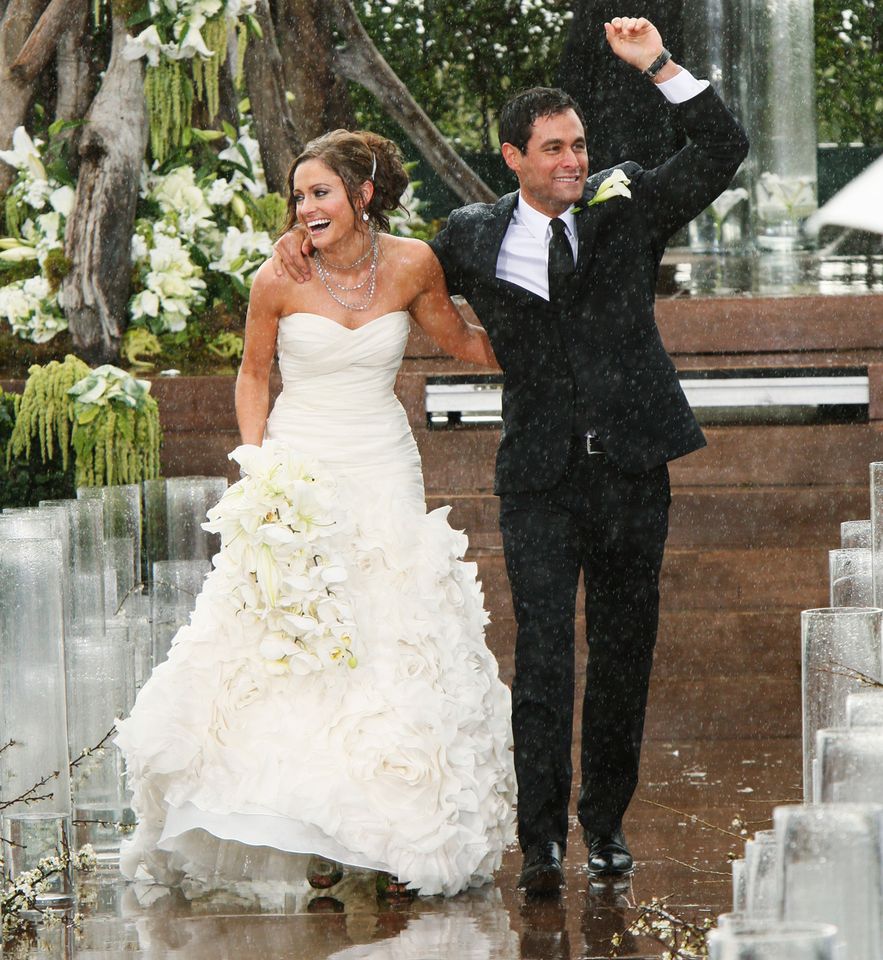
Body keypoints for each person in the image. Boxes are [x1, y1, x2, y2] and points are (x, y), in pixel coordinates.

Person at [274, 17, 748, 895]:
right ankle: (540, 844)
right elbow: (386, 269)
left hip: (634, 467)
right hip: (538, 477)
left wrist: (658, 67)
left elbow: (722, 147)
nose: (573, 159)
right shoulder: (468, 235)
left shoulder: (629, 200)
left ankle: (603, 827)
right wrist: (307, 240)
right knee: (541, 659)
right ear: (512, 158)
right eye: (554, 148)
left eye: (579, 145)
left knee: (620, 653)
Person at [115, 129, 517, 899]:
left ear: (362, 195)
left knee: (390, 630)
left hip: (381, 462)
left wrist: (548, 344)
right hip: (300, 468)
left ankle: (395, 828)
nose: (305, 208)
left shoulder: (411, 264)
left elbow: (461, 340)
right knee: (295, 639)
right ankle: (311, 832)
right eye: (298, 196)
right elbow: (253, 374)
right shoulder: (278, 276)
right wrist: (258, 468)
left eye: (320, 192)